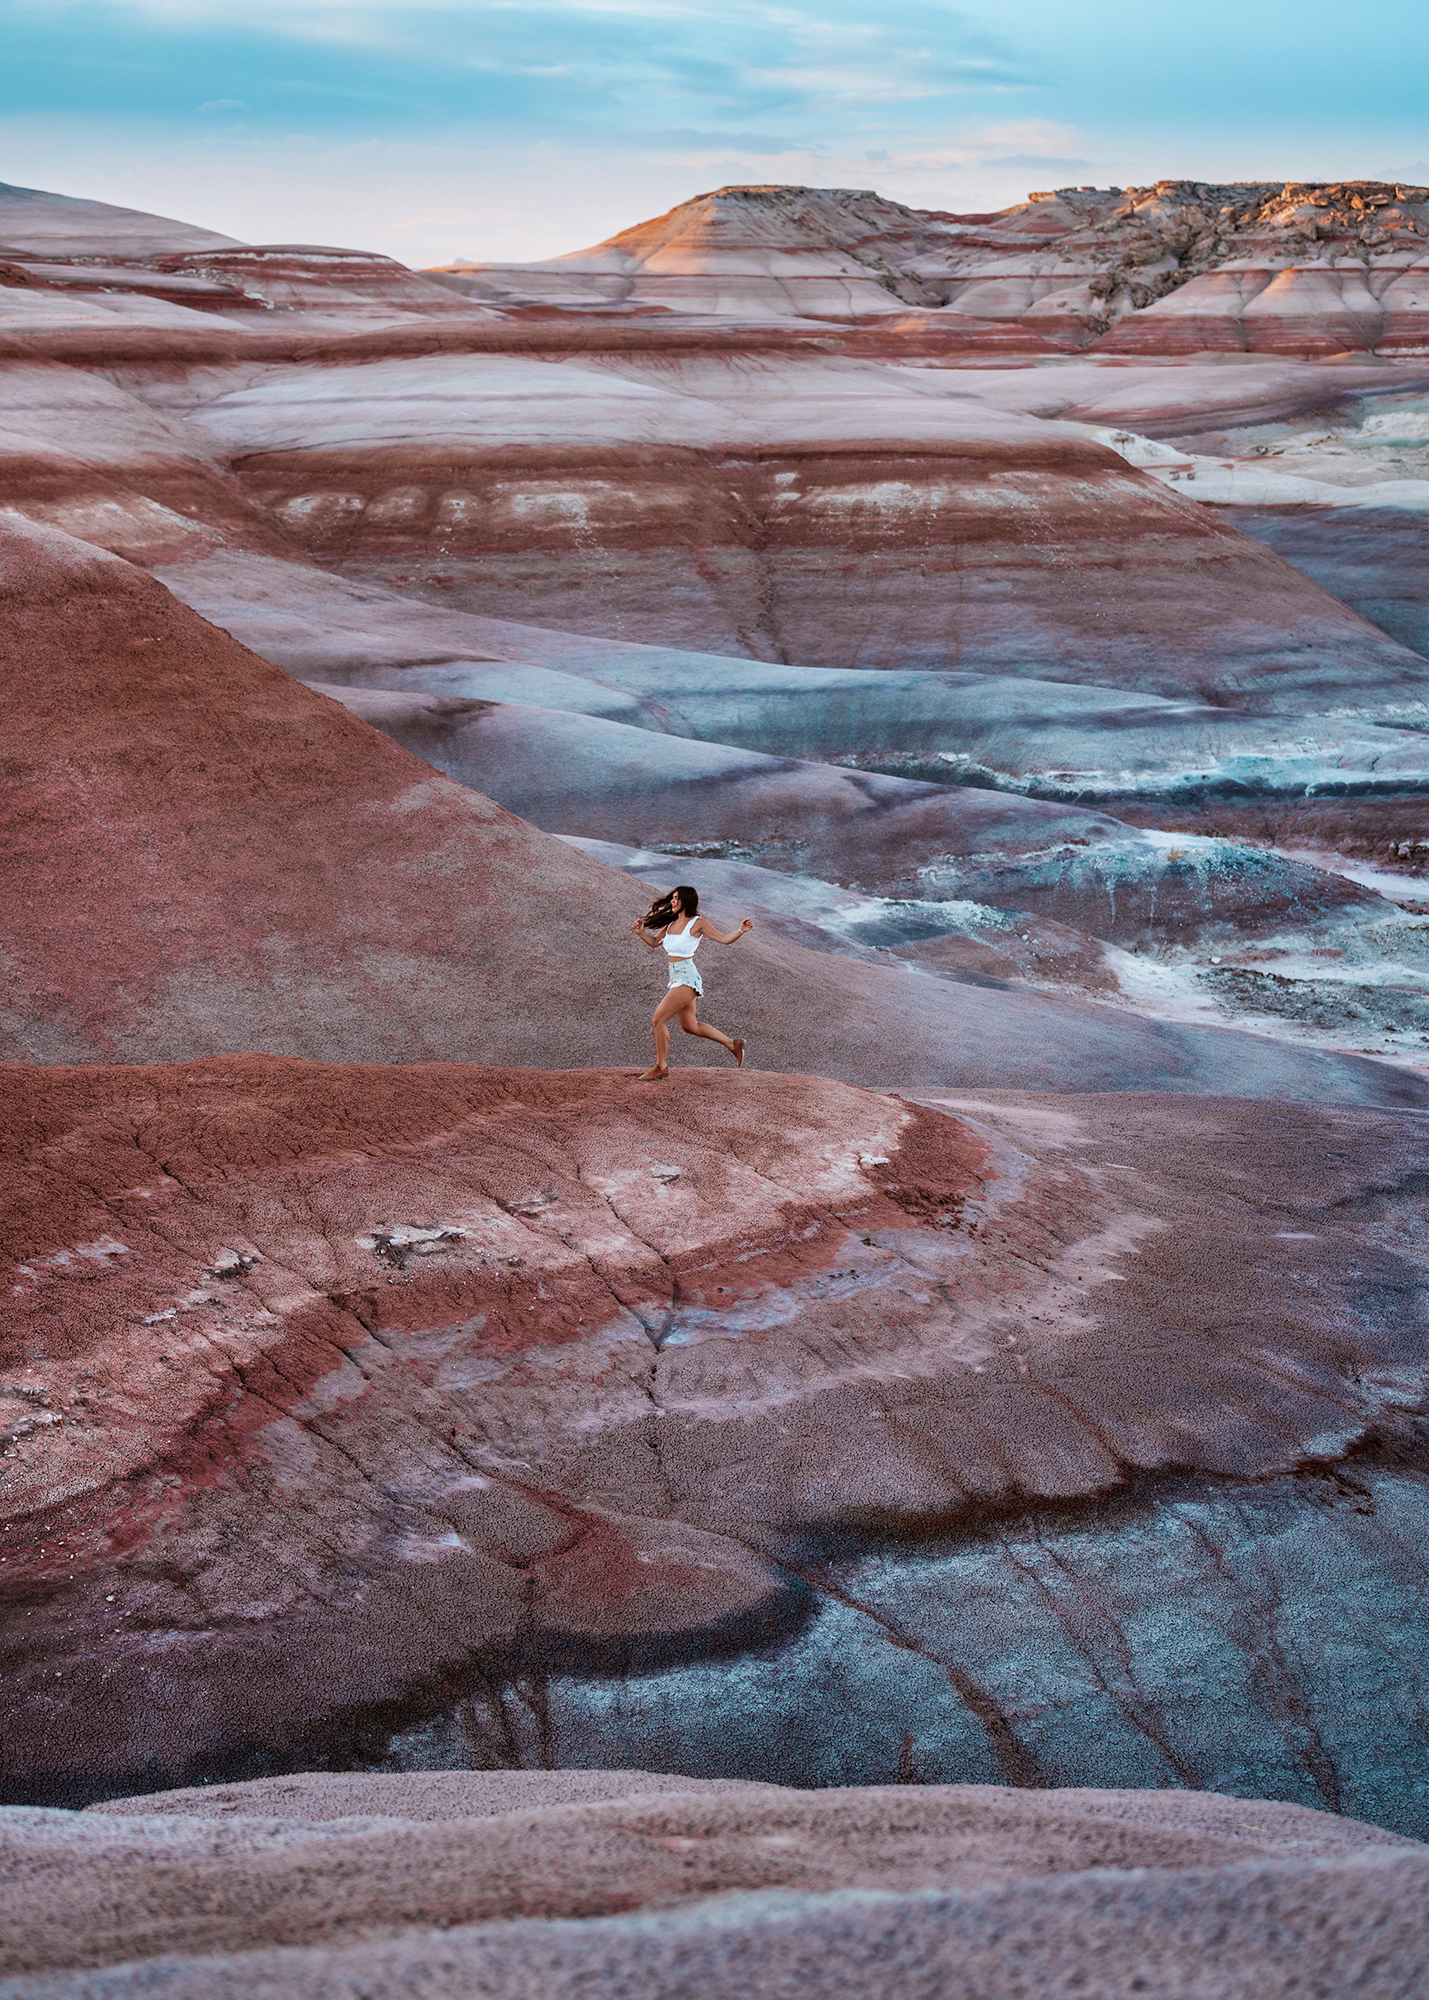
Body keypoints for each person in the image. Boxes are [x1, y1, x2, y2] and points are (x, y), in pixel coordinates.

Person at [630, 885, 752, 1082]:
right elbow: (654, 943)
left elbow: (723, 938)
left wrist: (740, 930)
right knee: (690, 1026)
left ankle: (661, 1066)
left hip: (687, 977)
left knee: (658, 1019)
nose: (672, 901)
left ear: (686, 900)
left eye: (676, 898)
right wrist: (640, 933)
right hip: (675, 977)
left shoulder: (697, 923)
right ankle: (733, 1044)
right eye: (672, 897)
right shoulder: (670, 924)